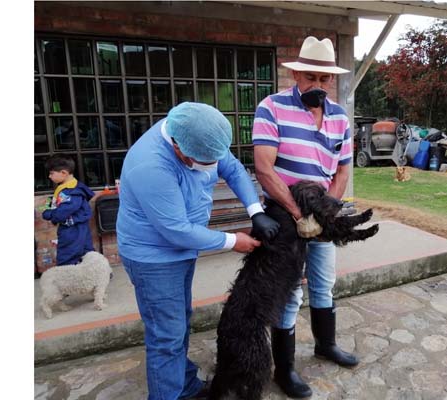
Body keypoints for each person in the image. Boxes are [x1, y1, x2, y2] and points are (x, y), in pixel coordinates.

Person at [116, 102, 280, 400]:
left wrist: (255, 210)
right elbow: (176, 230)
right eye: (201, 162)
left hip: (183, 249)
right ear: (178, 147)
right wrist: (233, 241)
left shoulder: (202, 135)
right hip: (153, 256)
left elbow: (232, 168)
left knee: (180, 320)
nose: (208, 168)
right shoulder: (150, 165)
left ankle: (186, 385)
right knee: (166, 335)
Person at [252, 36, 357, 398]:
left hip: (321, 215)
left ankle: (325, 345)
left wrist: (326, 212)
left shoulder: (340, 116)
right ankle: (285, 369)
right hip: (285, 214)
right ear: (296, 74)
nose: (317, 85)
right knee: (289, 292)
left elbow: (342, 171)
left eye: (324, 79)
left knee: (324, 283)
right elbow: (264, 169)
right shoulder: (272, 107)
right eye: (310, 77)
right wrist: (299, 214)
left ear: (332, 81)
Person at [41, 156, 95, 266]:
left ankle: (65, 280)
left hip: (71, 230)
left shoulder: (71, 192)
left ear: (63, 173)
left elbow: (62, 213)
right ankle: (96, 274)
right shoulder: (70, 188)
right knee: (87, 254)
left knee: (67, 256)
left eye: (51, 173)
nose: (49, 176)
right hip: (79, 227)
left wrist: (48, 214)